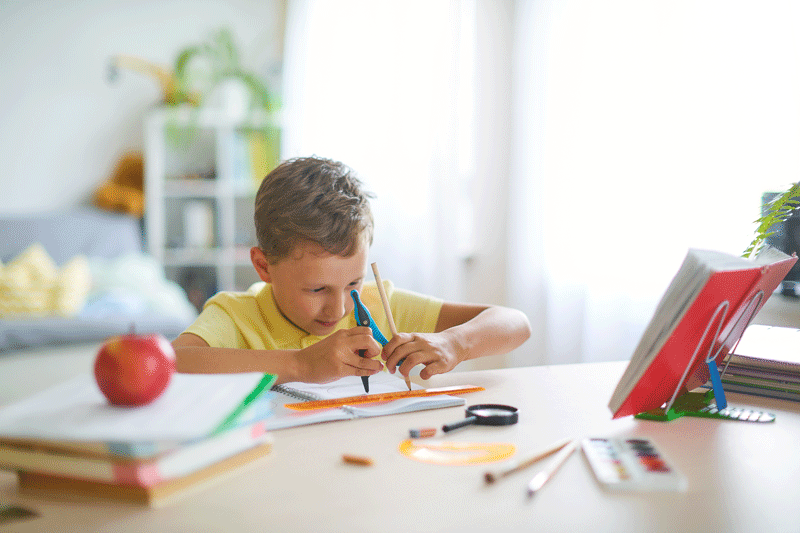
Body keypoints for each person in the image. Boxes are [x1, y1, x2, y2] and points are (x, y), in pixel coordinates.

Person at [172, 156, 531, 385]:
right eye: (316, 290)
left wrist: (455, 342)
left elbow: (515, 324)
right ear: (264, 266)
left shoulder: (376, 305)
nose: (340, 308)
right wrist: (299, 365)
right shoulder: (236, 316)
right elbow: (173, 363)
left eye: (353, 283)